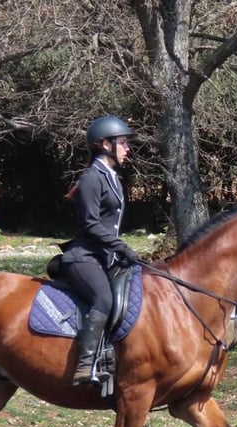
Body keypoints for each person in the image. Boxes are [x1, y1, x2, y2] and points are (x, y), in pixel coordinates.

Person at [59, 115, 140, 385]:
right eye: (124, 143)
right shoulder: (92, 178)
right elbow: (91, 224)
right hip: (83, 257)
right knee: (104, 299)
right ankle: (85, 365)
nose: (128, 149)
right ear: (106, 144)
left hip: (105, 257)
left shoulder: (112, 177)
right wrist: (122, 247)